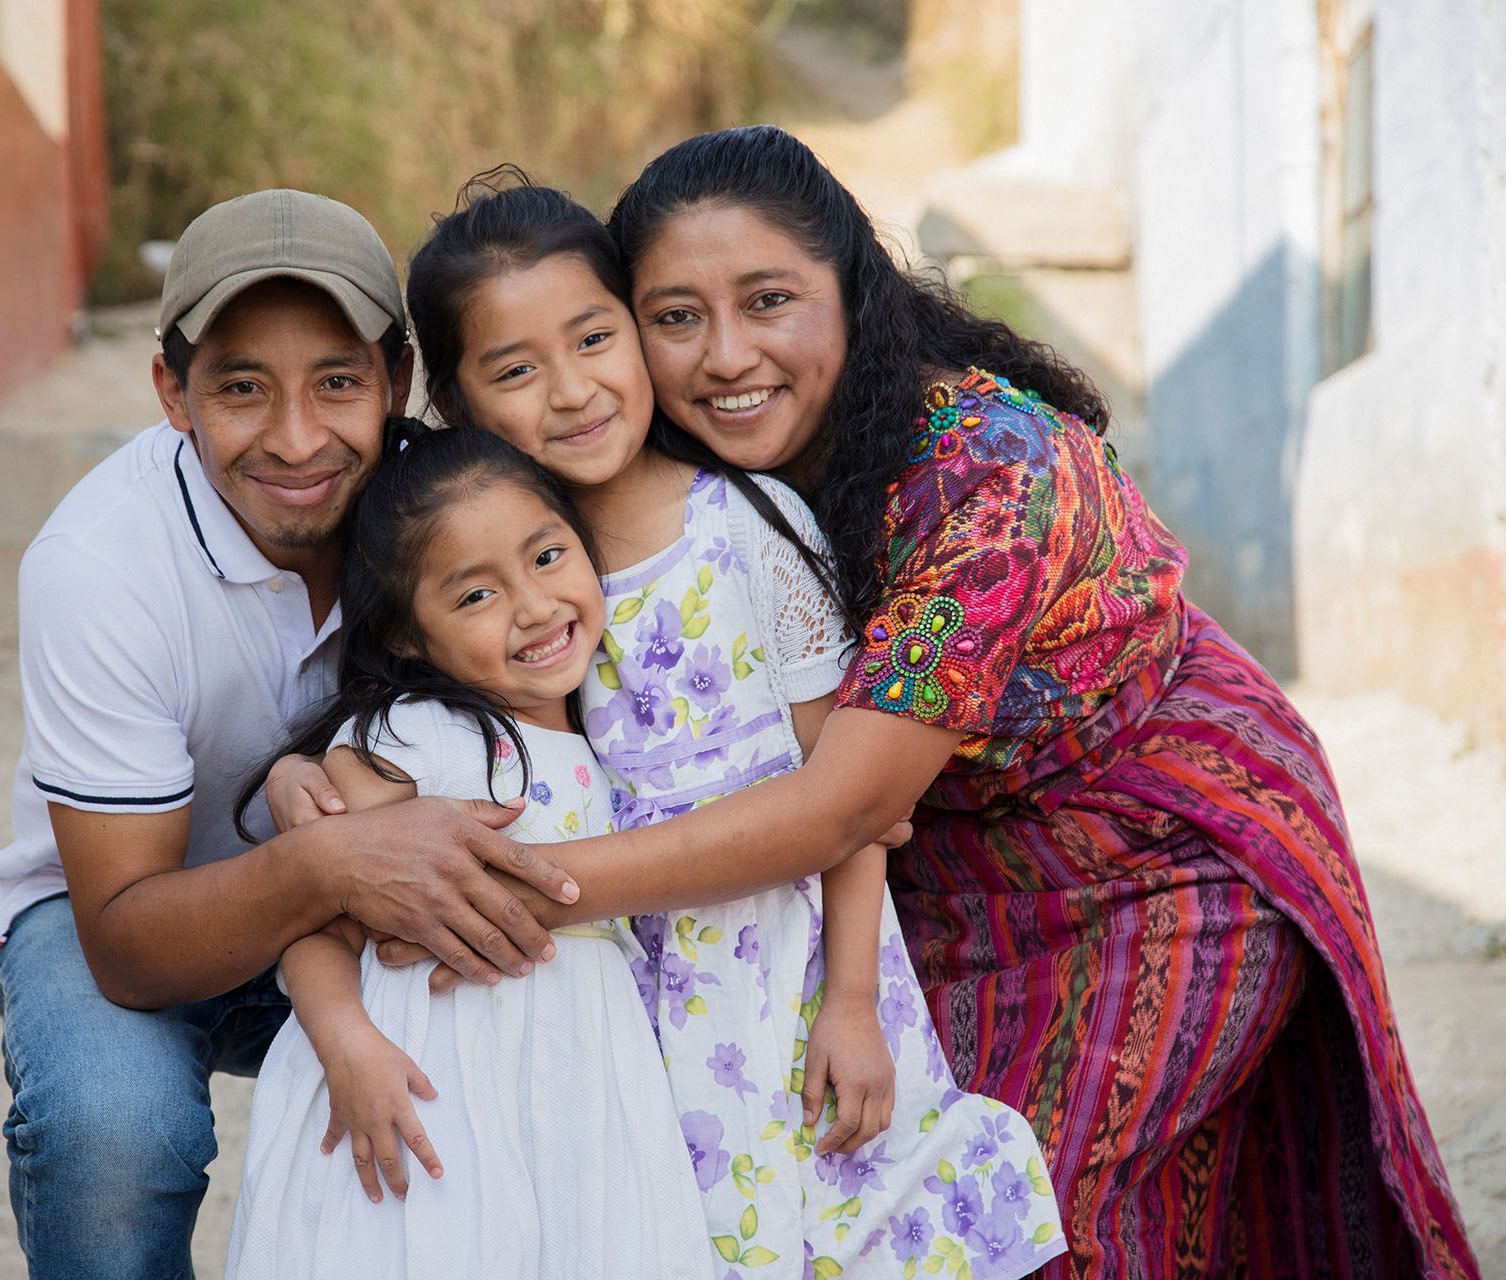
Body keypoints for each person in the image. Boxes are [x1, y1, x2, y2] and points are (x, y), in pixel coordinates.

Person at [587, 125, 1479, 1277]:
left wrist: (528, 886)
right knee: (889, 1201)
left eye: (769, 300)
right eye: (674, 316)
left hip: (1164, 859)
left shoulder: (992, 474)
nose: (723, 355)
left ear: (856, 292)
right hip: (954, 894)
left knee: (1008, 1216)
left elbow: (836, 808)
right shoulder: (690, 481)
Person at [393, 174, 1066, 1276]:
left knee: (836, 1221)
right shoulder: (509, 585)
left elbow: (843, 799)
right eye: (515, 371)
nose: (571, 392)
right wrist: (308, 783)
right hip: (627, 997)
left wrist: (852, 1000)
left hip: (787, 972)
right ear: (460, 406)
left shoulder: (751, 527)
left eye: (595, 338)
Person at [0, 189, 584, 1280]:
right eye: (242, 388)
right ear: (172, 390)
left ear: (398, 378)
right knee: (114, 1130)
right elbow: (125, 940)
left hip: (363, 896)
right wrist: (333, 856)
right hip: (128, 912)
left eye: (338, 382)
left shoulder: (436, 508)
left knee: (545, 1039)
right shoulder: (100, 565)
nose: (298, 439)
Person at [223, 425, 717, 1278]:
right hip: (429, 1085)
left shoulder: (620, 717)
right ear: (410, 637)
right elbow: (316, 924)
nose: (532, 606)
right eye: (475, 597)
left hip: (583, 1086)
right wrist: (347, 1045)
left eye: (549, 556)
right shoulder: (424, 739)